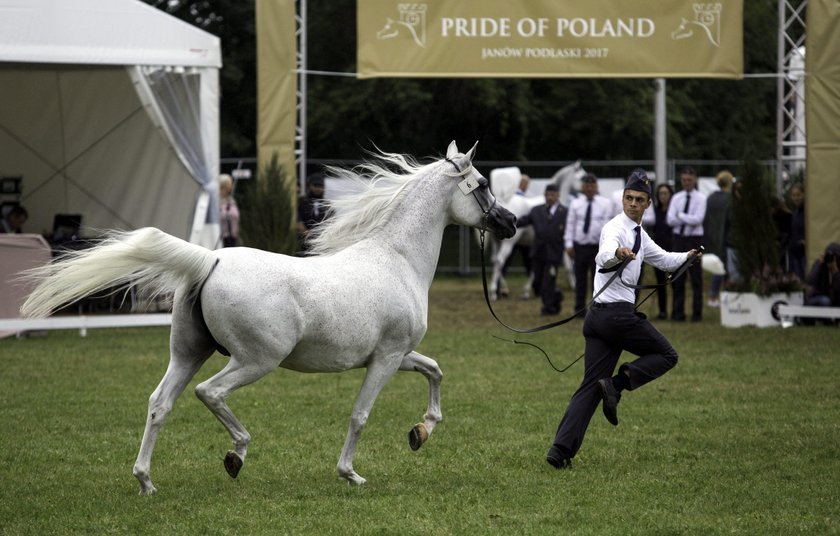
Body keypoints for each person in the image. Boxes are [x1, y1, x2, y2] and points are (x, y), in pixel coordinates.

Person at [546, 169, 701, 469]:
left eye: (639, 199)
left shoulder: (640, 235)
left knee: (590, 386)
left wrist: (688, 256)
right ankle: (617, 384)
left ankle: (559, 450)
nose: (632, 203)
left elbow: (665, 259)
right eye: (628, 198)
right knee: (668, 355)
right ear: (622, 199)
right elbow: (603, 255)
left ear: (647, 204)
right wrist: (618, 253)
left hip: (598, 320)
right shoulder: (615, 229)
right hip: (615, 316)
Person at [564, 173, 613, 315]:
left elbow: (607, 226)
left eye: (592, 186)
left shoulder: (605, 203)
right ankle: (579, 309)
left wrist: (606, 246)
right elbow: (570, 225)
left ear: (596, 187)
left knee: (596, 279)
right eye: (587, 186)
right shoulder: (575, 203)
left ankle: (596, 309)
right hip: (580, 247)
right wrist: (568, 244)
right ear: (583, 188)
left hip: (597, 247)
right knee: (580, 279)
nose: (590, 188)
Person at [517, 183, 567, 315]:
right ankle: (557, 295)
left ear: (557, 196)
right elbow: (523, 221)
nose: (550, 197)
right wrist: (508, 221)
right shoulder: (536, 210)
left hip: (553, 253)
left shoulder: (564, 212)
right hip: (538, 252)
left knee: (548, 281)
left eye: (552, 195)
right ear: (544, 196)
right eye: (548, 195)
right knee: (538, 282)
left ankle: (548, 308)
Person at [667, 167, 707, 322]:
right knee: (678, 276)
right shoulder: (677, 197)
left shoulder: (701, 198)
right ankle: (678, 313)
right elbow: (670, 220)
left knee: (696, 278)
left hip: (694, 240)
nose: (686, 183)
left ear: (695, 180)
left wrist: (680, 215)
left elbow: (698, 220)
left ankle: (697, 314)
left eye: (689, 180)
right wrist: (686, 218)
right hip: (679, 239)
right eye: (684, 180)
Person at [703, 171, 733, 308]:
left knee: (718, 266)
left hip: (712, 235)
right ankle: (724, 294)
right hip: (726, 236)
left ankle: (713, 295)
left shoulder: (710, 198)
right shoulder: (730, 198)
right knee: (727, 267)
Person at [651, 183, 675, 319]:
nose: (663, 196)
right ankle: (662, 310)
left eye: (666, 193)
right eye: (661, 193)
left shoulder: (673, 211)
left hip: (672, 250)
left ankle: (676, 310)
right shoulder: (654, 212)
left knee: (675, 282)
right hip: (658, 251)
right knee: (660, 282)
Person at [297, 171, 329, 252]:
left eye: (320, 186)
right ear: (309, 186)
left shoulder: (327, 205)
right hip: (303, 242)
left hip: (323, 242)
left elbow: (331, 222)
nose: (318, 189)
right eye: (315, 185)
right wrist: (305, 232)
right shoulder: (302, 202)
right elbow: (297, 219)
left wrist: (322, 235)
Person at [804, 242, 840, 308]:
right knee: (825, 301)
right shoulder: (820, 264)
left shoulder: (838, 268)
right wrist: (819, 266)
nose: (830, 259)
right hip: (816, 297)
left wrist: (835, 272)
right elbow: (810, 281)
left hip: (831, 300)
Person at [787, 183, 806, 281]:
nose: (796, 198)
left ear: (804, 194)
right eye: (793, 195)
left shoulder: (807, 212)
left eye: (798, 195)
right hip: (794, 253)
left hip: (803, 254)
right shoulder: (795, 213)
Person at [218, 174, 240, 247]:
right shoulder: (217, 202)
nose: (231, 187)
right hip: (222, 237)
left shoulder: (231, 201)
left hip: (232, 237)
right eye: (229, 184)